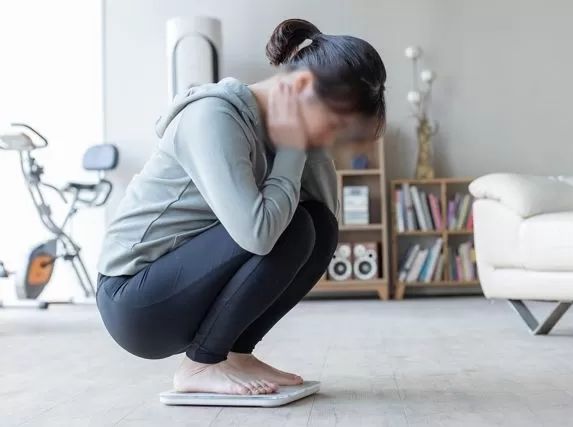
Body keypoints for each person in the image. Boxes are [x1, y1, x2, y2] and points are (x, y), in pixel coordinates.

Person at [95, 18, 387, 396]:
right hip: (134, 302)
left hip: (180, 287)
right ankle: (200, 367)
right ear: (299, 88)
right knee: (290, 226)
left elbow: (327, 217)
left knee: (317, 224)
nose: (330, 137)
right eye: (333, 125)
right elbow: (259, 235)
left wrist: (305, 143)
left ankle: (235, 353)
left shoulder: (277, 130)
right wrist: (295, 144)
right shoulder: (213, 118)